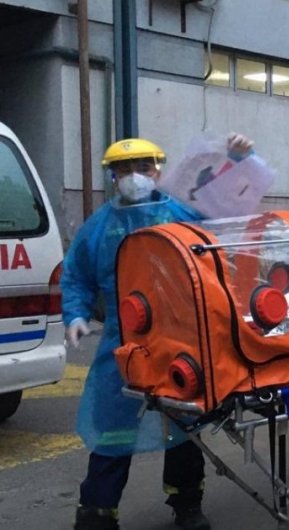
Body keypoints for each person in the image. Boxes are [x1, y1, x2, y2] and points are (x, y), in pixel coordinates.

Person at [64, 134, 255, 530]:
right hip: (122, 346)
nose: (134, 176)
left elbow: (227, 211)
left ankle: (186, 503)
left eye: (143, 168)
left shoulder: (183, 213)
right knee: (111, 432)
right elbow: (76, 276)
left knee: (183, 429)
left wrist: (236, 161)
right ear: (112, 175)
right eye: (124, 169)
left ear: (159, 170)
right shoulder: (99, 227)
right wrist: (75, 315)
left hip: (180, 342)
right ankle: (97, 513)